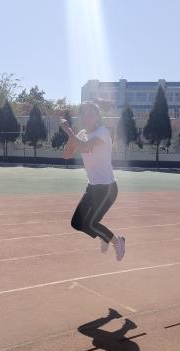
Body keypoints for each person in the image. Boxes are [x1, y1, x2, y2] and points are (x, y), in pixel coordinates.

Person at [59, 102, 125, 261]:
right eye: (83, 114)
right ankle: (104, 236)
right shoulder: (81, 134)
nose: (86, 117)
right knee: (77, 223)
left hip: (107, 188)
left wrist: (68, 130)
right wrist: (72, 135)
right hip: (92, 187)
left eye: (90, 114)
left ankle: (117, 241)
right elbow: (66, 154)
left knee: (90, 223)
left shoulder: (103, 132)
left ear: (97, 116)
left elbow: (84, 147)